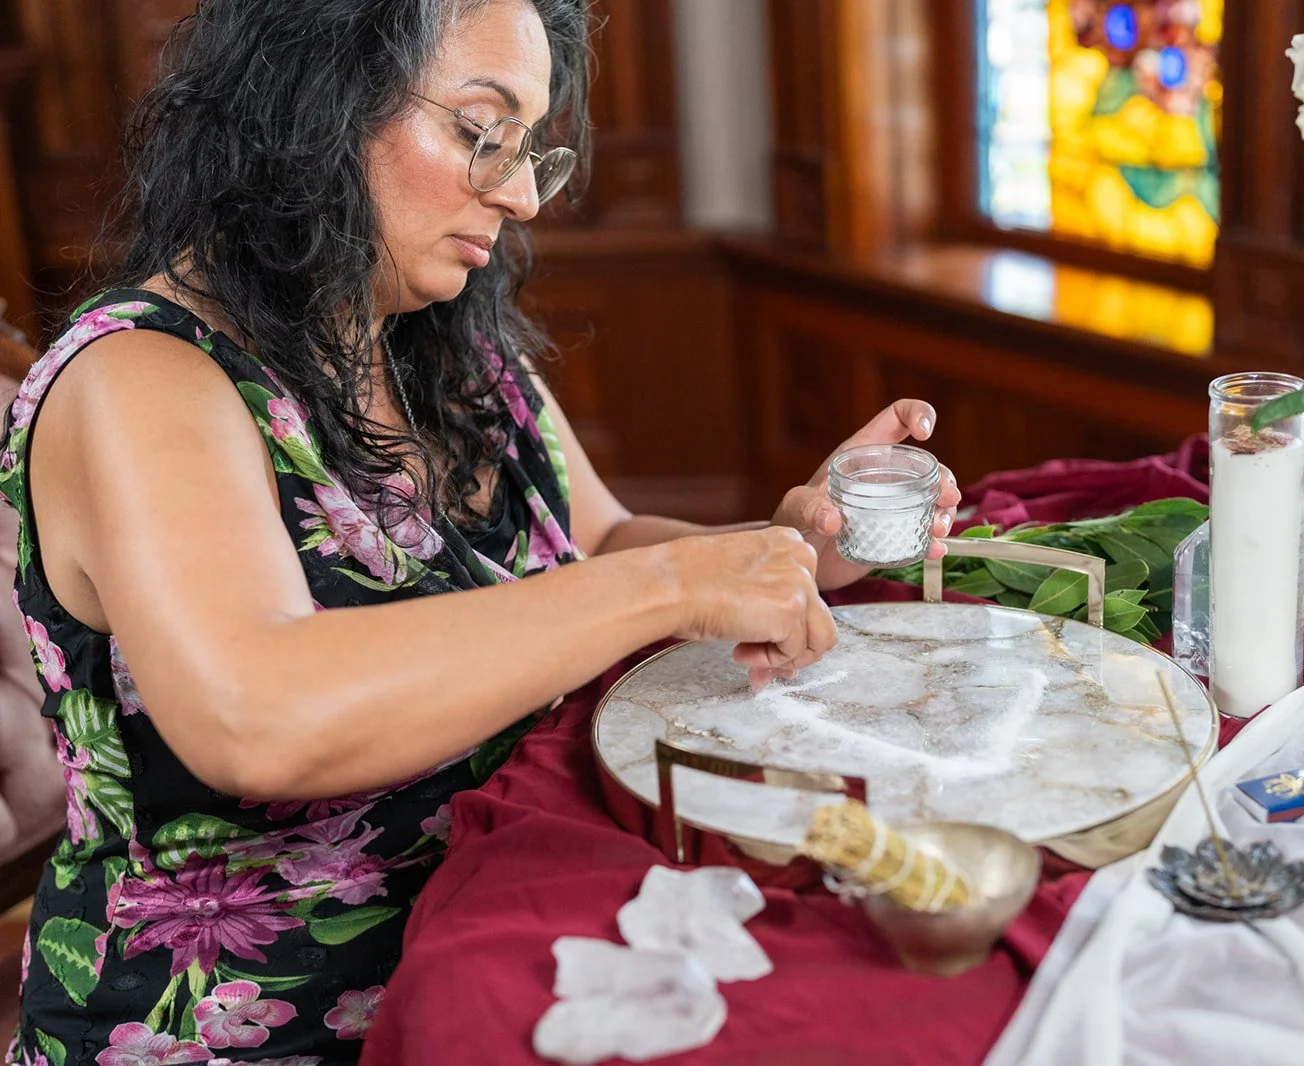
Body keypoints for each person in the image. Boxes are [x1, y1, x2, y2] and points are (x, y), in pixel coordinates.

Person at [0, 1, 958, 1063]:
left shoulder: (443, 349)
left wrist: (791, 542)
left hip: (507, 944)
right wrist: (675, 585)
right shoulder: (140, 376)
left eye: (528, 147)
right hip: (254, 1026)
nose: (517, 193)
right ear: (308, 101)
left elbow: (598, 544)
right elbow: (258, 714)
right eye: (477, 130)